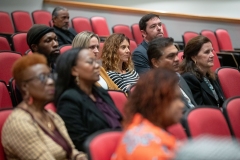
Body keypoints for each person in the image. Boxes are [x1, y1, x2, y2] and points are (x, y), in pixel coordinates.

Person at [2, 54, 87, 160]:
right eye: (42, 78)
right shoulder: (19, 123)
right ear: (25, 87)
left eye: (49, 76)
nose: (51, 82)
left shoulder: (51, 115)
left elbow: (72, 152)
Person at [55, 47, 122, 151]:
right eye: (90, 62)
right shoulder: (69, 100)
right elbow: (80, 142)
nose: (97, 66)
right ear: (74, 70)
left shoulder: (101, 92)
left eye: (97, 62)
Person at [111, 68, 184, 160]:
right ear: (156, 101)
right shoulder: (143, 143)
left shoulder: (149, 126)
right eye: (175, 99)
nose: (181, 105)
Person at [147, 37, 197, 112]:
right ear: (156, 62)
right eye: (171, 56)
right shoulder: (154, 88)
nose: (177, 59)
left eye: (176, 54)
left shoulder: (179, 77)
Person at [179, 35, 225, 107]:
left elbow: (222, 101)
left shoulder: (211, 75)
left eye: (212, 51)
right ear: (194, 57)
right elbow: (200, 108)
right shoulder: (189, 78)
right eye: (207, 52)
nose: (212, 55)